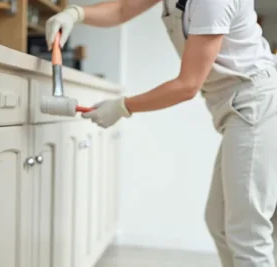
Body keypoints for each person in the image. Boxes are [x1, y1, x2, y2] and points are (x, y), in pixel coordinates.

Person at [45, 0, 277, 266]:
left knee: (248, 233)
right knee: (220, 224)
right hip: (238, 109)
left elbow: (188, 85)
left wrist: (123, 106)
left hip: (257, 105)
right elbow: (122, 9)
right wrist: (76, 13)